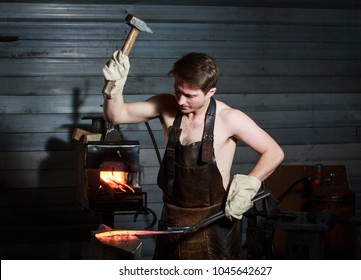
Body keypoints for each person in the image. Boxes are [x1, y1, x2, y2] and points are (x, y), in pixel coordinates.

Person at [102, 50, 284, 259]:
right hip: (172, 220)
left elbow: (274, 152)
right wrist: (112, 89)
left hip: (214, 225)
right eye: (177, 90)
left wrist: (251, 183)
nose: (180, 101)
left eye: (190, 96)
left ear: (210, 92)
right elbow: (115, 115)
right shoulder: (165, 105)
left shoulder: (229, 118)